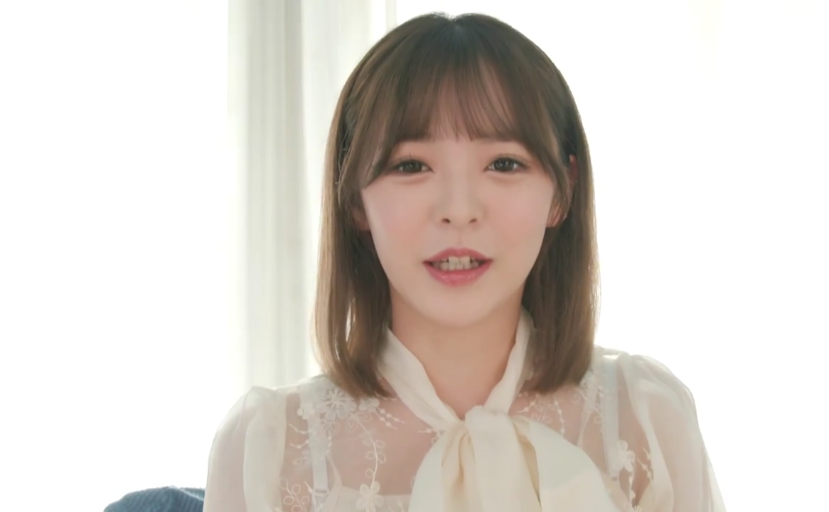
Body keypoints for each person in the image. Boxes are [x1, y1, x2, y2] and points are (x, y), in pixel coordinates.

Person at [202, 12, 725, 512]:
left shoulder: (645, 422)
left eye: (504, 163)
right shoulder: (268, 455)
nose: (458, 210)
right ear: (354, 197)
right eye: (411, 165)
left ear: (563, 191)